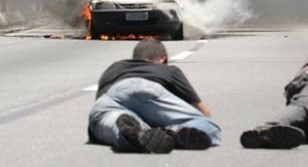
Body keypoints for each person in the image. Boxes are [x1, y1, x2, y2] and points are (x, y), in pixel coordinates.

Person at [88, 38, 222, 153]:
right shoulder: (168, 70)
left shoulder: (115, 67)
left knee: (111, 121)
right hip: (149, 89)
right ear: (163, 59)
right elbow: (204, 112)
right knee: (210, 128)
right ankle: (172, 133)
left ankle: (133, 134)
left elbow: (98, 108)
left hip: (113, 96)